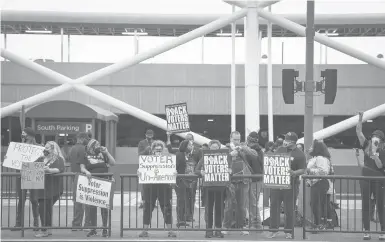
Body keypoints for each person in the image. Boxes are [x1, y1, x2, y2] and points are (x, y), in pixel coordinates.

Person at [268, 132, 306, 239]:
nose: (285, 141)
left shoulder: (300, 154)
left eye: (287, 140)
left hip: (291, 185)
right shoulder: (280, 150)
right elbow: (271, 162)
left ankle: (289, 231)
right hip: (276, 184)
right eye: (285, 139)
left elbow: (303, 169)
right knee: (274, 207)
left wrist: (294, 172)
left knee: (289, 209)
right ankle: (273, 230)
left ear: (293, 142)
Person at [138, 140, 177, 238]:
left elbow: (172, 172)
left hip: (164, 187)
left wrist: (174, 174)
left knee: (166, 208)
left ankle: (170, 230)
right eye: (156, 150)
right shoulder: (146, 160)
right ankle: (145, 230)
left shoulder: (168, 160)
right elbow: (141, 170)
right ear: (152, 150)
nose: (158, 151)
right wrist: (139, 172)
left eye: (160, 150)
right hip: (149, 187)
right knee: (147, 208)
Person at [356, 111, 385, 240]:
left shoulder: (383, 151)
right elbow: (358, 132)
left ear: (381, 141)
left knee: (380, 205)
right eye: (373, 137)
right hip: (366, 178)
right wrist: (360, 119)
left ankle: (383, 231)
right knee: (366, 204)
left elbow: (380, 166)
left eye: (377, 138)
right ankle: (366, 230)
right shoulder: (367, 146)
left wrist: (375, 156)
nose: (375, 140)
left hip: (379, 179)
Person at [80, 139, 116, 238]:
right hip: (92, 183)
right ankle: (93, 229)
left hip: (104, 182)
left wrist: (107, 152)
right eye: (96, 145)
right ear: (91, 146)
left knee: (104, 206)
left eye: (99, 144)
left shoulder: (103, 154)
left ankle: (105, 228)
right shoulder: (85, 155)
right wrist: (86, 172)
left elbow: (113, 163)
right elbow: (82, 167)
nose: (98, 146)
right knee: (92, 207)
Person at [222, 131, 254, 236]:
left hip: (243, 180)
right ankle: (226, 226)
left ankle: (243, 226)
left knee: (242, 206)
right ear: (230, 138)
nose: (237, 141)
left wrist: (244, 148)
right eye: (235, 139)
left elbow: (254, 155)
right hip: (230, 181)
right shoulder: (225, 149)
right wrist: (229, 155)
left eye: (238, 139)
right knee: (229, 205)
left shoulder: (243, 148)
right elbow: (220, 161)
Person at [195, 140, 228, 238]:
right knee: (209, 210)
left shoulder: (224, 158)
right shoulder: (204, 158)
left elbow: (230, 169)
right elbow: (196, 170)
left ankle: (218, 230)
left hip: (220, 187)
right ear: (209, 149)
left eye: (216, 148)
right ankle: (208, 230)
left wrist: (230, 171)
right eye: (212, 149)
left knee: (219, 209)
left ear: (219, 149)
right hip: (208, 187)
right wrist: (201, 172)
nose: (214, 150)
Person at [34, 141, 65, 237]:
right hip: (42, 188)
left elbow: (59, 169)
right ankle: (47, 229)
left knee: (43, 208)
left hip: (53, 188)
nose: (45, 149)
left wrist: (49, 170)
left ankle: (45, 230)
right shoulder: (41, 158)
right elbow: (32, 167)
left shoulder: (58, 159)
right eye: (45, 147)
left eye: (47, 147)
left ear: (53, 149)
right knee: (45, 208)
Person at [12, 127, 40, 231]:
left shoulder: (38, 147)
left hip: (33, 173)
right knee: (21, 200)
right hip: (21, 174)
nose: (22, 135)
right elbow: (14, 160)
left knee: (34, 200)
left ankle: (36, 223)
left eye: (24, 133)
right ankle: (19, 224)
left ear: (29, 135)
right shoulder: (19, 147)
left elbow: (40, 161)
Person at [306, 140, 334, 231]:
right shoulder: (315, 158)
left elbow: (323, 171)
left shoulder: (320, 158)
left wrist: (310, 171)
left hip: (320, 182)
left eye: (312, 147)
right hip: (316, 183)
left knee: (315, 204)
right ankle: (318, 223)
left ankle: (317, 224)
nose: (310, 148)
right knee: (315, 204)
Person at [68, 132, 90, 230]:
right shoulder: (85, 148)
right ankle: (88, 224)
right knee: (88, 202)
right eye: (87, 138)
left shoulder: (72, 149)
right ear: (82, 138)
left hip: (75, 176)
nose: (88, 140)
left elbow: (69, 159)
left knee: (77, 202)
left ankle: (76, 224)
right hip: (85, 177)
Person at [244, 131, 264, 232]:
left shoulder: (254, 150)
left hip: (254, 179)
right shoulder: (259, 150)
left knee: (252, 203)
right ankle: (254, 223)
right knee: (251, 203)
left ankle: (256, 224)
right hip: (256, 179)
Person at [175, 140, 196, 227]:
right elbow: (176, 166)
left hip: (187, 181)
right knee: (181, 200)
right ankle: (180, 220)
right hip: (180, 181)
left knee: (185, 200)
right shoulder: (179, 154)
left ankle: (183, 219)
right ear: (185, 146)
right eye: (190, 145)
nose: (191, 146)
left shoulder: (188, 155)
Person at [355, 148, 377, 223]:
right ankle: (367, 217)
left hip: (374, 182)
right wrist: (357, 156)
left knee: (373, 200)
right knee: (367, 200)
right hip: (366, 182)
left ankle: (370, 216)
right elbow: (360, 165)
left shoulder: (375, 162)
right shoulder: (367, 164)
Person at [137, 129, 154, 209]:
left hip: (153, 166)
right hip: (144, 166)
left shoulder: (155, 143)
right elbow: (139, 155)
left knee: (153, 184)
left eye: (151, 135)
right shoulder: (142, 143)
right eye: (148, 135)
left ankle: (152, 201)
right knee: (144, 185)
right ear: (146, 135)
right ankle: (143, 202)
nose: (150, 136)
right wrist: (145, 150)